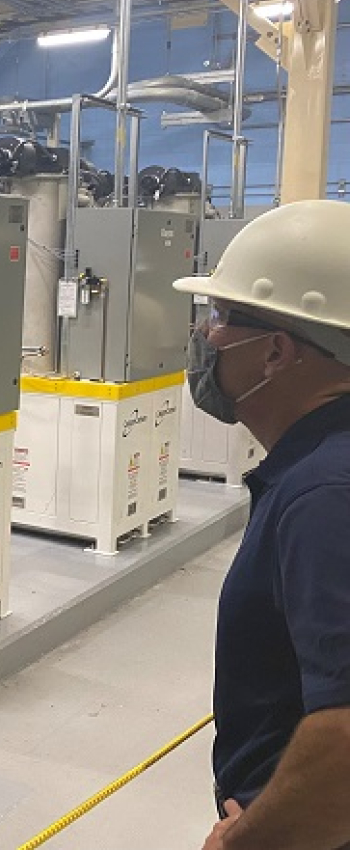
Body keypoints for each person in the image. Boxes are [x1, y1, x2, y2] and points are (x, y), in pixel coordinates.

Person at [171, 201, 350, 850]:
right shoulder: (321, 469)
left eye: (220, 317)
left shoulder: (323, 495)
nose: (205, 335)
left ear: (275, 350)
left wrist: (247, 838)